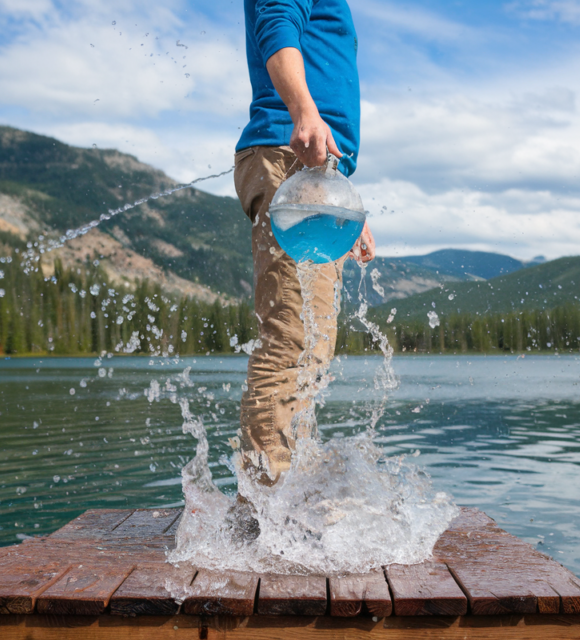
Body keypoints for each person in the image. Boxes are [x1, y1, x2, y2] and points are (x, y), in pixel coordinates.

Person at [233, 0, 375, 492]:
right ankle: (261, 517)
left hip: (315, 174)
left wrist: (344, 204)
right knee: (292, 340)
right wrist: (303, 110)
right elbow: (275, 23)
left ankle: (285, 496)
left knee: (312, 344)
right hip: (288, 158)